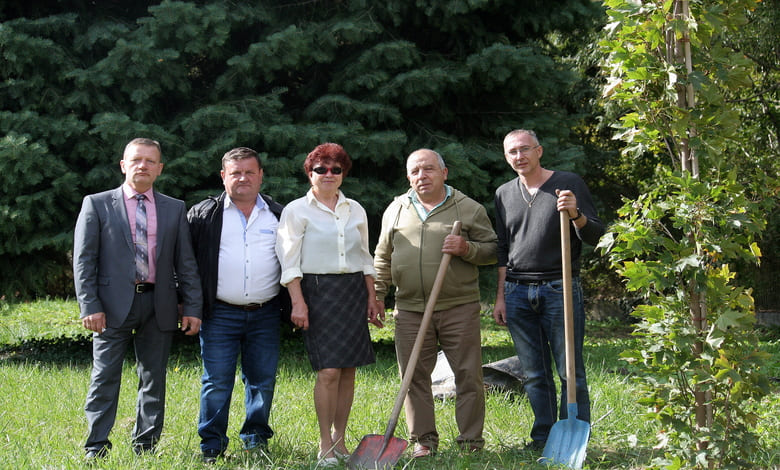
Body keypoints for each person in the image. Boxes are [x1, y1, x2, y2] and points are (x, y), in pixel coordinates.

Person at [73, 137, 203, 460]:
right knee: (104, 377)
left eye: (149, 161)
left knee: (153, 378)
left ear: (159, 168)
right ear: (123, 165)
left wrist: (193, 307)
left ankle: (145, 447)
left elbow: (185, 262)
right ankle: (96, 447)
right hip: (111, 306)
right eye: (136, 160)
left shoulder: (174, 208)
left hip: (158, 305)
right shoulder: (98, 204)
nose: (142, 165)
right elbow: (84, 260)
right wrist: (90, 305)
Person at [373, 149, 497, 457]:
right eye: (415, 171)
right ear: (408, 177)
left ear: (444, 173)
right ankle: (423, 441)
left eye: (428, 169)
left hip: (458, 306)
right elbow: (382, 257)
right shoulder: (397, 209)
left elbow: (493, 249)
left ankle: (470, 443)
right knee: (413, 376)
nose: (421, 176)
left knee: (468, 375)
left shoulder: (468, 208)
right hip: (410, 308)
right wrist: (377, 294)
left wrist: (466, 248)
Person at [492, 129, 605, 451]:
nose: (519, 156)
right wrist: (501, 296)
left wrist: (576, 215)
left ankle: (574, 437)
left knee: (570, 370)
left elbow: (596, 234)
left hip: (560, 289)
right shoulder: (503, 193)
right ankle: (543, 436)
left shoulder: (568, 184)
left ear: (539, 151)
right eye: (512, 152)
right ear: (506, 157)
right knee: (534, 373)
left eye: (525, 149)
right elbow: (503, 247)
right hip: (516, 291)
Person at [275, 143, 382, 466]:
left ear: (343, 174)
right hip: (317, 291)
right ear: (310, 173)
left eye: (336, 169)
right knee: (329, 370)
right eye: (321, 169)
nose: (329, 174)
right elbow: (288, 260)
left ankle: (340, 440)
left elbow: (365, 257)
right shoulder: (296, 210)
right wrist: (298, 302)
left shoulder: (355, 209)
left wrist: (373, 296)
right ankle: (324, 444)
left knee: (348, 369)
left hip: (352, 291)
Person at [187, 147, 289, 463]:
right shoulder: (204, 214)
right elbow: (185, 265)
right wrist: (187, 305)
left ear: (260, 175)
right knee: (216, 382)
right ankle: (211, 447)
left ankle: (255, 442)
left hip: (266, 312)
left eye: (249, 172)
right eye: (235, 172)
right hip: (219, 313)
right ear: (223, 176)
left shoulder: (279, 214)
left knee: (262, 380)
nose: (242, 178)